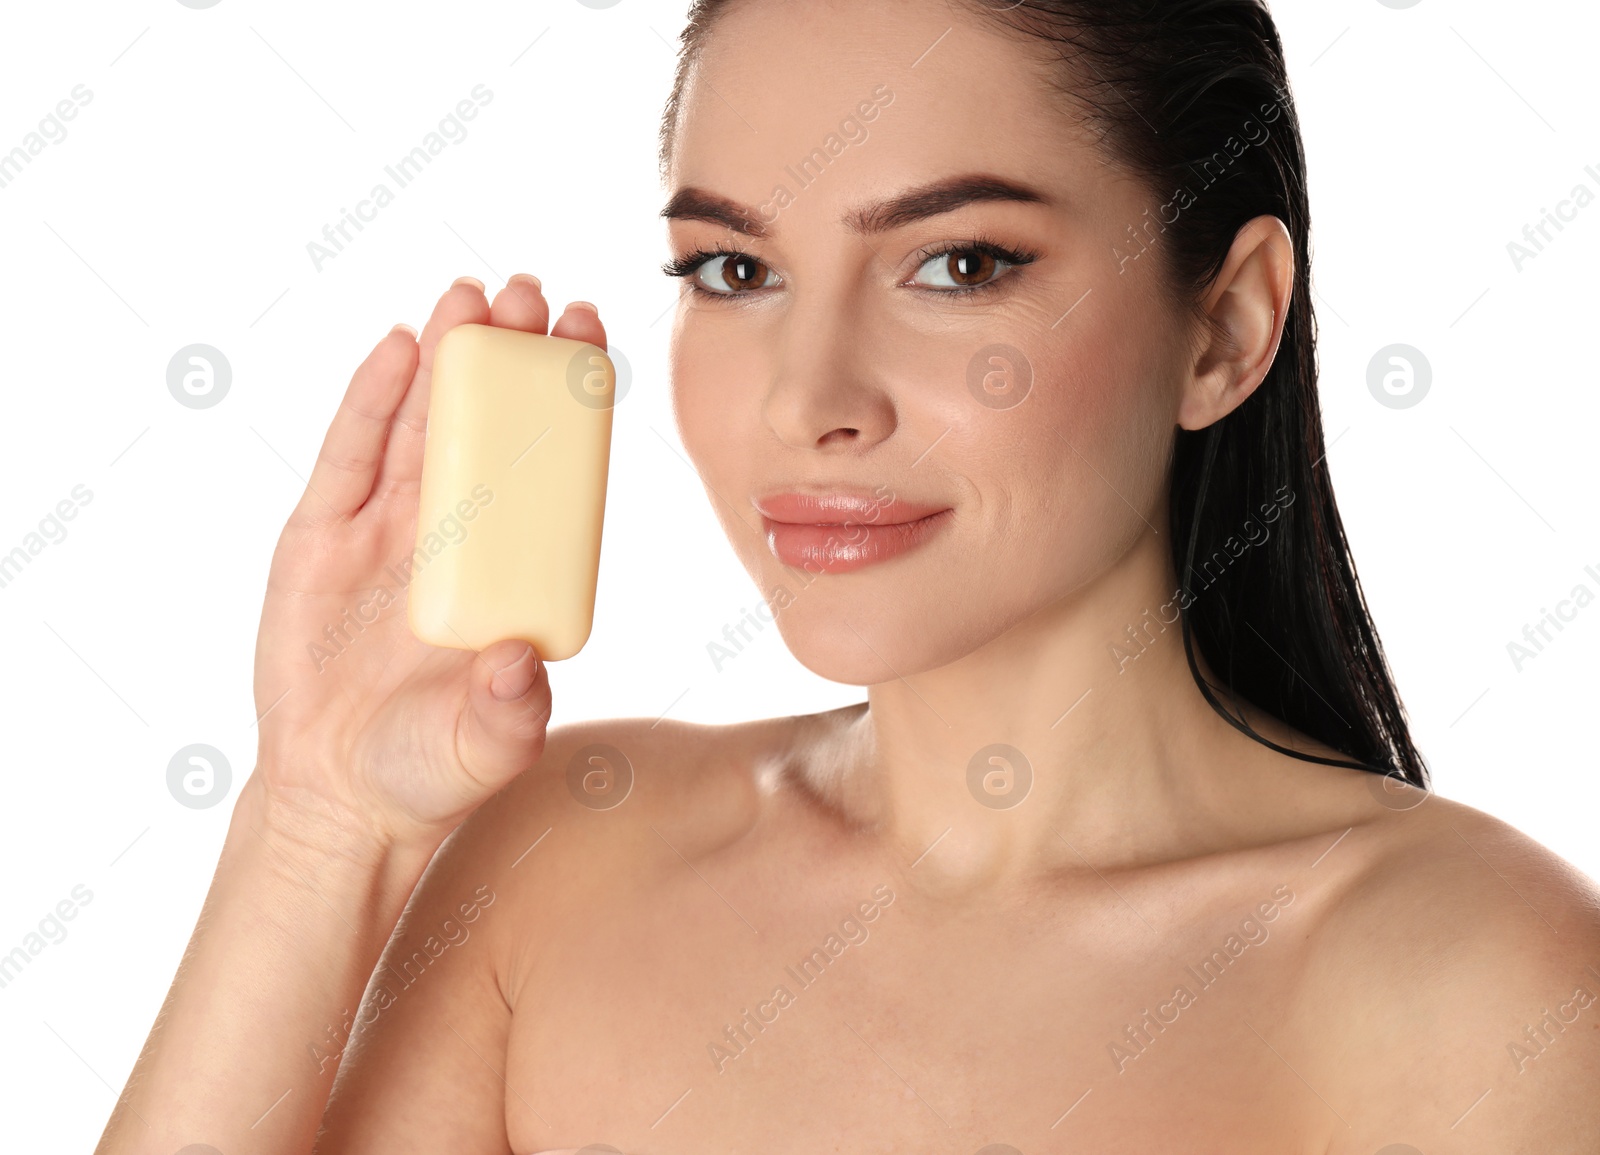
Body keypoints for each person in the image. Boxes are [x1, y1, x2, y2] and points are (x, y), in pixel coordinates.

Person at [98, 1, 1600, 1151]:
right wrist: (308, 825)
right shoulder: (560, 864)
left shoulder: (1474, 991)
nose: (812, 396)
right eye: (734, 272)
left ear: (1225, 326)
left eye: (958, 264)